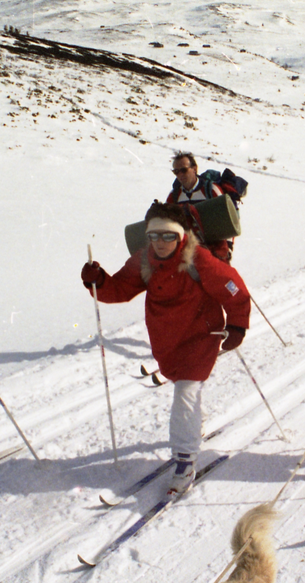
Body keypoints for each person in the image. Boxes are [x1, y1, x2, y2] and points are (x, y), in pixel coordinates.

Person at [81, 201, 251, 494]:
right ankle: (193, 423)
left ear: (181, 236)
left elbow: (234, 289)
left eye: (168, 236)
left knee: (185, 392)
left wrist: (237, 325)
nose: (160, 243)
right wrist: (98, 281)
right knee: (184, 388)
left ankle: (185, 463)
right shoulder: (144, 260)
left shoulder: (200, 260)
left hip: (201, 335)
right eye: (154, 236)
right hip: (167, 339)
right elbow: (120, 289)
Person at [166, 151, 244, 263]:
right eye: (176, 171)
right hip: (186, 250)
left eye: (183, 170)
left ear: (194, 169)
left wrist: (228, 247)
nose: (180, 175)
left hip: (213, 248)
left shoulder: (211, 190)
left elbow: (228, 220)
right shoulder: (173, 196)